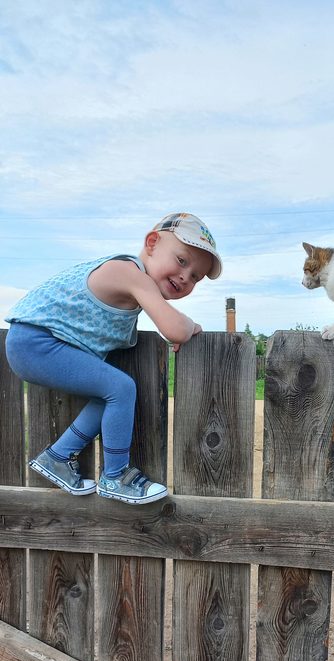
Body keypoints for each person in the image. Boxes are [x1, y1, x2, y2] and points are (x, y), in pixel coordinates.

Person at [5, 212, 222, 504]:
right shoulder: (130, 274)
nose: (186, 276)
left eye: (195, 276)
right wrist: (189, 326)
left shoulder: (135, 288)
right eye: (182, 261)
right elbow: (174, 329)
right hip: (35, 342)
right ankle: (116, 476)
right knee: (121, 387)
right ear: (152, 242)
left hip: (36, 342)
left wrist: (180, 327)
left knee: (109, 395)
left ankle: (57, 457)